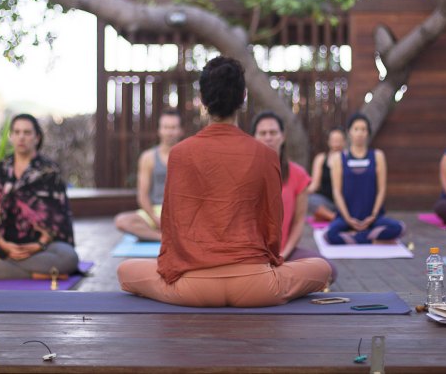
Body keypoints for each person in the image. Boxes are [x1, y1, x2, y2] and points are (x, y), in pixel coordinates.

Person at [118, 56, 331, 307]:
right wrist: (268, 266)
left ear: (203, 100)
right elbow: (272, 226)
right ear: (243, 97)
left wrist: (173, 270)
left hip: (192, 287)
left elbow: (172, 223)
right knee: (321, 268)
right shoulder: (266, 155)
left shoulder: (180, 153)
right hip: (256, 286)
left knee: (125, 271)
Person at [0, 114, 79, 280]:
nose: (21, 137)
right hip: (1, 243)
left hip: (41, 246)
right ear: (11, 136)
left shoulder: (49, 171)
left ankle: (2, 270)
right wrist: (3, 245)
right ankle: (38, 274)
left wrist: (37, 245)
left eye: (27, 132)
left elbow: (58, 217)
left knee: (68, 258)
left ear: (37, 137)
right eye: (16, 132)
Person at [251, 111, 338, 282]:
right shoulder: (245, 172)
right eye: (263, 133)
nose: (268, 137)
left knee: (328, 270)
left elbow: (299, 222)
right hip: (251, 255)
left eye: (273, 132)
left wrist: (283, 254)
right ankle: (278, 279)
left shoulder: (297, 174)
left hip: (286, 253)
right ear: (254, 138)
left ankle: (276, 277)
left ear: (282, 137)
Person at [324, 113, 404, 245]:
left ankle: (356, 237)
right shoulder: (339, 158)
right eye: (356, 129)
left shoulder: (378, 156)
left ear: (368, 133)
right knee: (330, 235)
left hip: (372, 218)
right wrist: (348, 219)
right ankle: (368, 238)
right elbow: (337, 192)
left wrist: (373, 216)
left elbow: (382, 189)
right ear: (349, 132)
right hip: (347, 217)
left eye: (363, 129)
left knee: (398, 228)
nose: (360, 133)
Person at [114, 109, 183, 241]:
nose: (169, 132)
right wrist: (155, 218)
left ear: (180, 131)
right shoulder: (148, 157)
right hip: (155, 211)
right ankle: (163, 238)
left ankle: (156, 235)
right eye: (166, 127)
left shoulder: (188, 156)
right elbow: (142, 195)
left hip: (179, 213)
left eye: (173, 128)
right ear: (159, 130)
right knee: (122, 221)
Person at [306, 127, 346, 222]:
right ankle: (335, 218)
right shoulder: (321, 159)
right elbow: (315, 184)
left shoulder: (349, 159)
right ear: (329, 142)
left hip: (344, 202)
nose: (336, 143)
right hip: (325, 202)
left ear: (344, 142)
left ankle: (327, 216)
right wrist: (300, 193)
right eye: (334, 140)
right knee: (307, 200)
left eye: (339, 140)